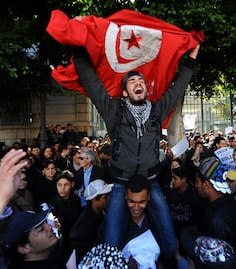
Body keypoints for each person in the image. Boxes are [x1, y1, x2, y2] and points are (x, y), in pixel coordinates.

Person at [73, 39, 200, 263]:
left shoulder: (156, 111)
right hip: (121, 183)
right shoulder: (114, 112)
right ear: (125, 92)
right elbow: (93, 84)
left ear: (145, 88)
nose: (137, 82)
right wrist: (79, 46)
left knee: (170, 242)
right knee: (111, 243)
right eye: (132, 81)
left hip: (151, 181)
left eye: (140, 80)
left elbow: (178, 86)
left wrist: (191, 59)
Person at [180, 157, 236, 265]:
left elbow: (216, 259)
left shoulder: (216, 218)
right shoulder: (235, 205)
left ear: (206, 185)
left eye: (197, 181)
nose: (196, 185)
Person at [122, 175, 161, 269]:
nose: (136, 207)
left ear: (148, 197)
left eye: (141, 202)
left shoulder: (155, 222)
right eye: (131, 201)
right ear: (126, 196)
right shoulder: (119, 226)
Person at [70, 179, 113, 262]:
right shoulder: (86, 222)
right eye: (105, 197)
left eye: (109, 195)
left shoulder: (101, 212)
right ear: (94, 200)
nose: (109, 198)